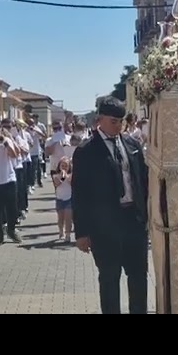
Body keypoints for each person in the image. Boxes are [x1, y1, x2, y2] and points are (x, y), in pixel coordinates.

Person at [72, 96, 149, 314]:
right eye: (113, 122)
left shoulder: (132, 145)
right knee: (109, 279)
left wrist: (146, 216)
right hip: (104, 227)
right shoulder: (87, 151)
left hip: (133, 221)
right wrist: (82, 232)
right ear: (100, 120)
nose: (118, 126)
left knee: (138, 276)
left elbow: (142, 181)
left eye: (121, 122)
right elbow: (79, 193)